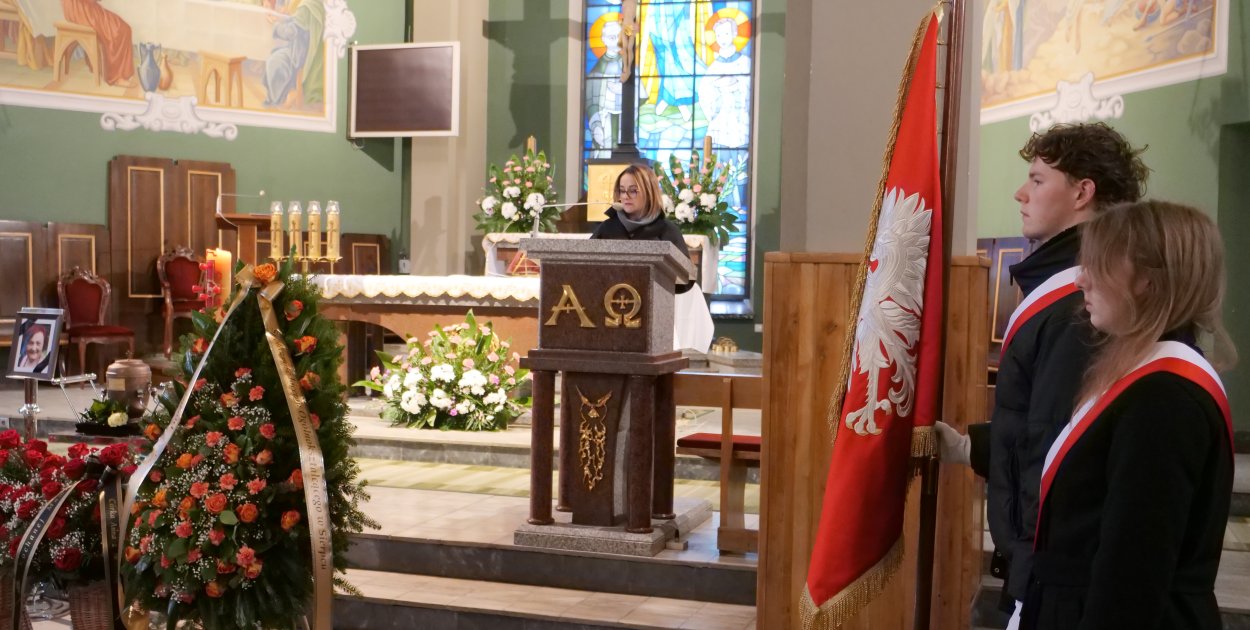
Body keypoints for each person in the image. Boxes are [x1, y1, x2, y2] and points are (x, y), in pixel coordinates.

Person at [934, 122, 1150, 627]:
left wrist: (1034, 573)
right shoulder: (1072, 285)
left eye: (1036, 179)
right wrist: (975, 448)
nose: (1020, 193)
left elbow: (1065, 449)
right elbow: (1046, 425)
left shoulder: (1084, 300)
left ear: (1082, 191)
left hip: (1052, 567)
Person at [1020, 200, 1234, 629]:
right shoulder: (1142, 376)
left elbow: (1132, 569)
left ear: (1148, 282)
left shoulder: (1164, 398)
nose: (1082, 279)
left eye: (1098, 264)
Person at [591, 164, 694, 296]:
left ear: (649, 192)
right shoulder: (607, 228)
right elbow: (586, 269)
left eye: (633, 190)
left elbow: (685, 278)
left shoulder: (666, 230)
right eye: (622, 190)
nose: (626, 196)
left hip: (653, 304)